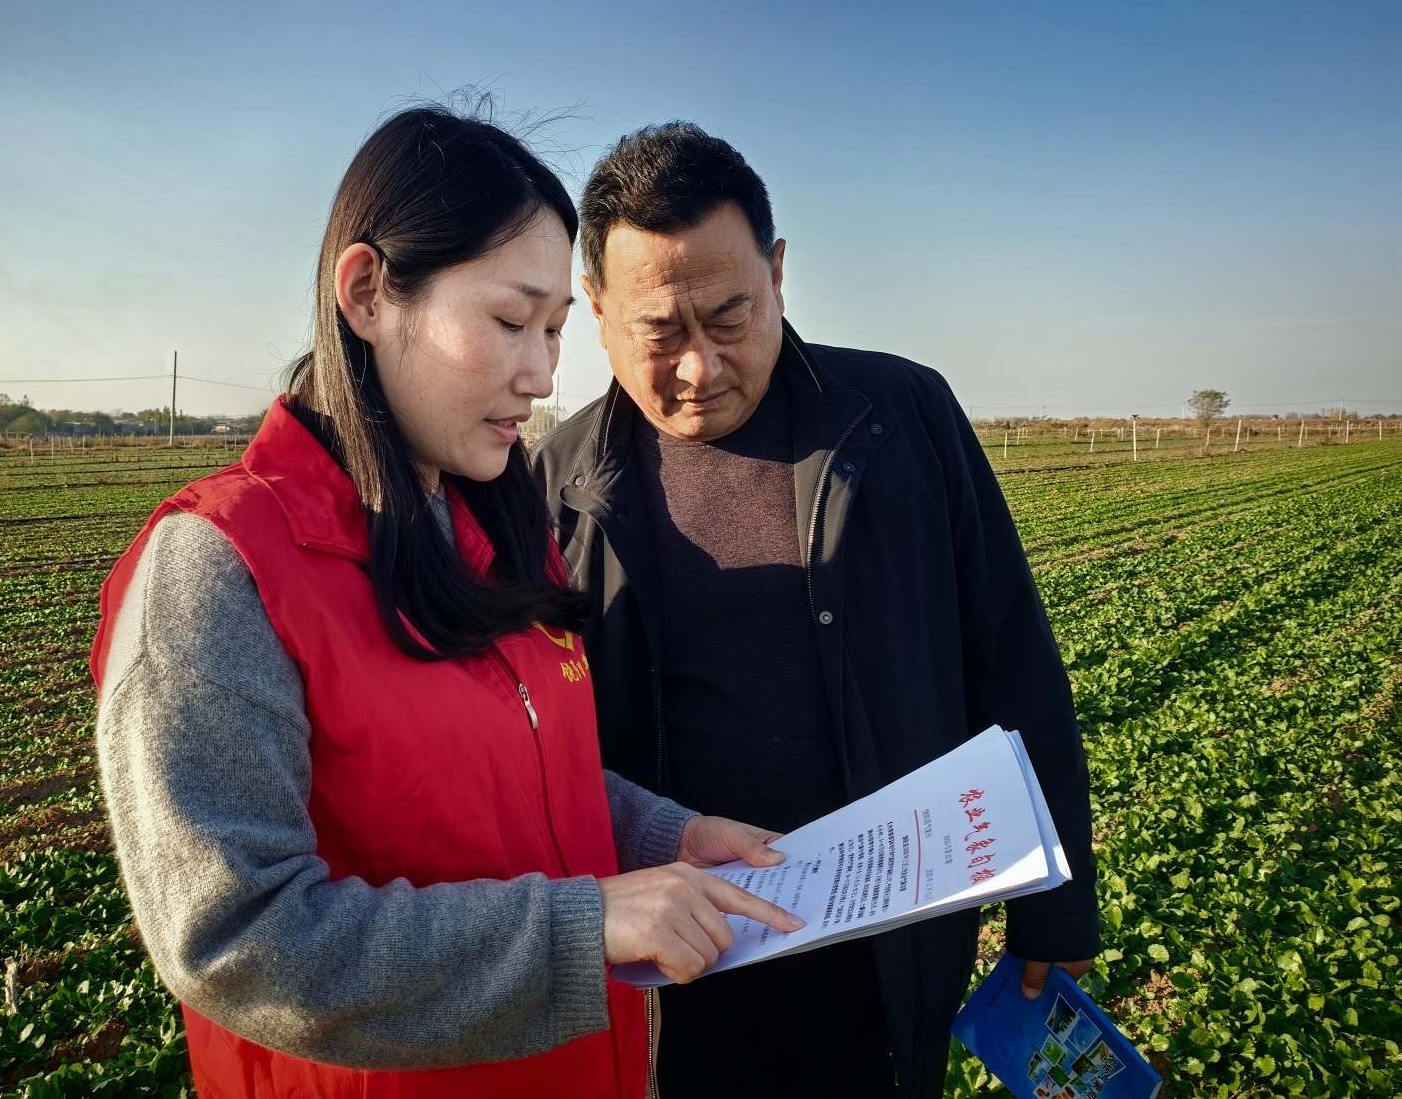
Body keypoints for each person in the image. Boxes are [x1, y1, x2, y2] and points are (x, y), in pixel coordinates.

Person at [91, 107, 802, 1099]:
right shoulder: (218, 568)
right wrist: (584, 924)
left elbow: (510, 784)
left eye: (555, 331)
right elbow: (237, 935)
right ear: (369, 293)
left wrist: (663, 838)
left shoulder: (487, 532)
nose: (542, 373)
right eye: (512, 322)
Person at [531, 123, 1100, 1098]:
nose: (699, 369)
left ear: (779, 273)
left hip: (886, 953)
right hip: (672, 972)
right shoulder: (554, 480)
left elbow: (1011, 659)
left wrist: (1059, 907)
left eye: (730, 318)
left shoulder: (903, 417)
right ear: (594, 308)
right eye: (660, 334)